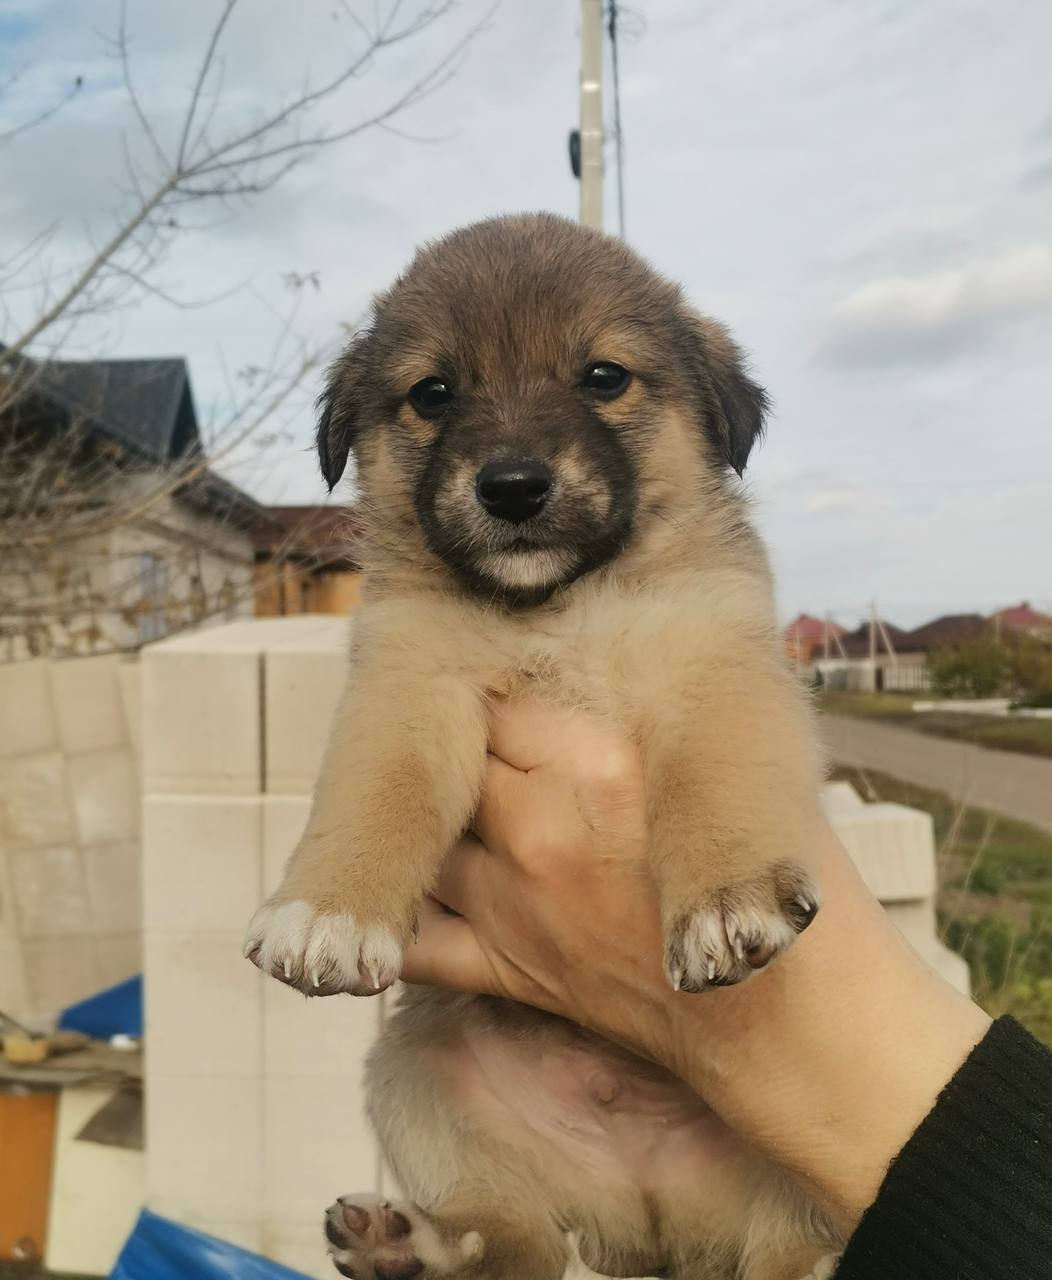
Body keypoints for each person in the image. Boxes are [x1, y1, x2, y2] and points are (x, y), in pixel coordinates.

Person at [404, 700, 1052, 1280]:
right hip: (538, 1129)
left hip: (723, 1166)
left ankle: (788, 1255)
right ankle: (495, 1240)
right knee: (405, 1070)